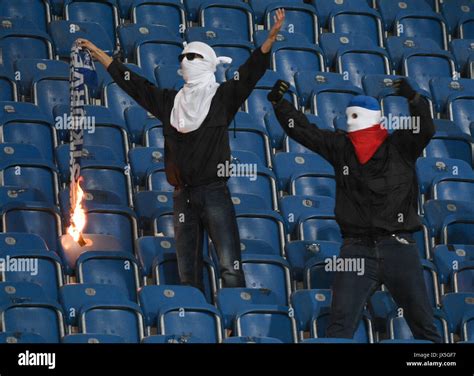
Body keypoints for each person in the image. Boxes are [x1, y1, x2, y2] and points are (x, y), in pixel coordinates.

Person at [77, 9, 286, 292]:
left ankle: (236, 321)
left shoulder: (222, 98)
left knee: (229, 265)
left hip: (214, 193)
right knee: (187, 269)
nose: (186, 61)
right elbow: (133, 83)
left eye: (194, 57)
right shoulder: (170, 102)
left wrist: (270, 39)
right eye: (183, 57)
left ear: (209, 63)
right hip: (182, 196)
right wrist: (99, 54)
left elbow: (249, 73)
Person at [267, 79, 442, 342]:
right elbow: (304, 131)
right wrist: (280, 105)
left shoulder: (401, 146)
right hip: (356, 249)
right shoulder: (341, 147)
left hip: (398, 247)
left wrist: (414, 99)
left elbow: (426, 127)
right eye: (348, 115)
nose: (351, 121)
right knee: (340, 325)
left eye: (357, 115)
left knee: (424, 325)